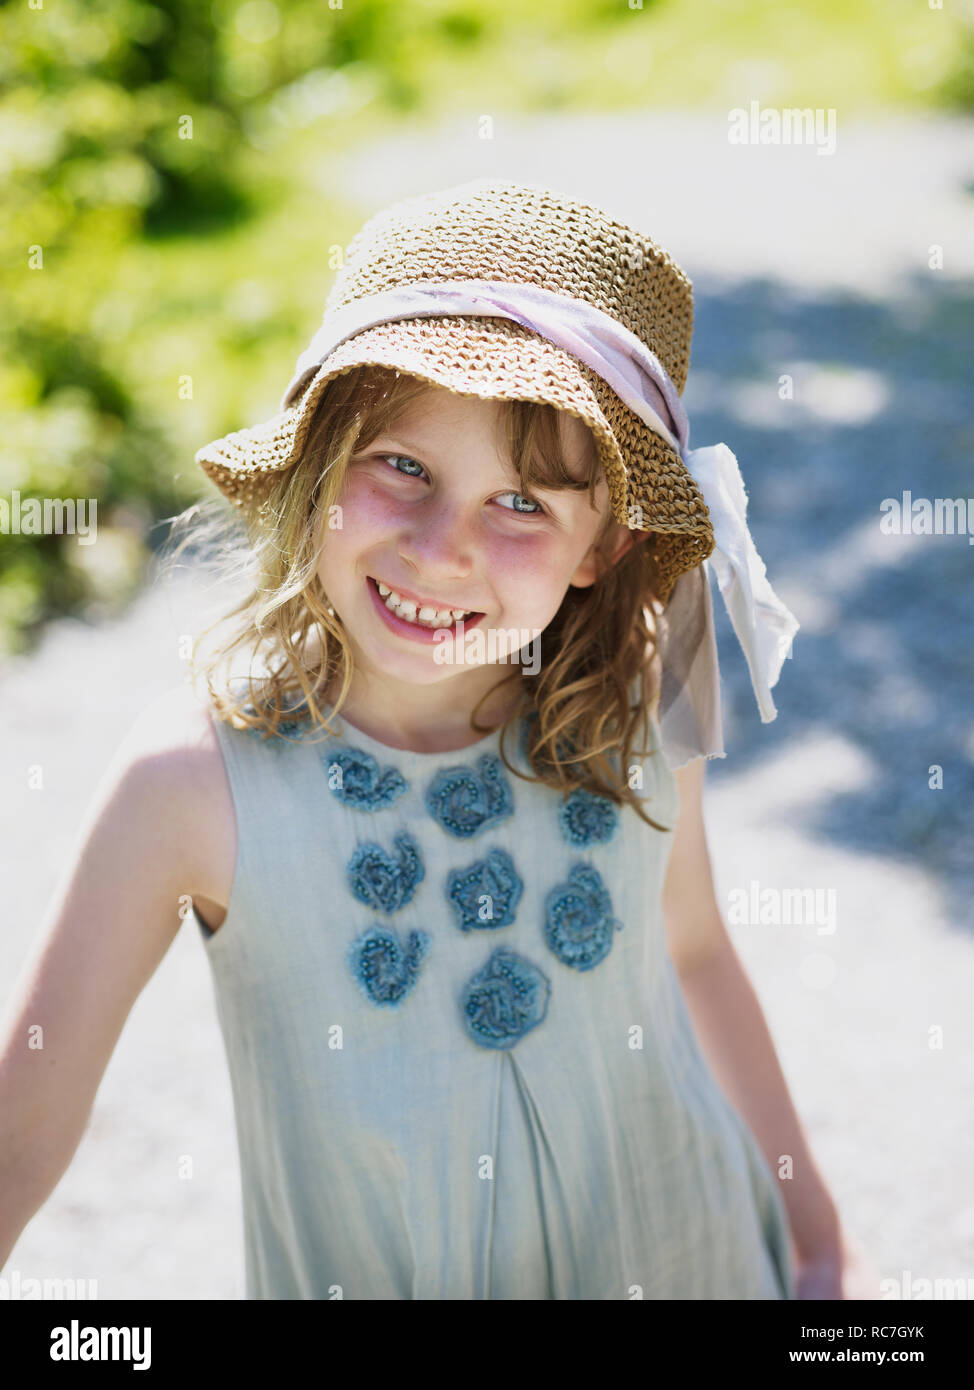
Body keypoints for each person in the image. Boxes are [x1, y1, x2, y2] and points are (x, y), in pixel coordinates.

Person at [0, 178, 879, 1299]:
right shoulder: (192, 781)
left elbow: (695, 946)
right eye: (402, 466)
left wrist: (817, 1238)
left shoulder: (640, 677)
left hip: (693, 1258)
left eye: (521, 505)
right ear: (317, 463)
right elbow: (26, 1119)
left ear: (600, 548)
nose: (438, 547)